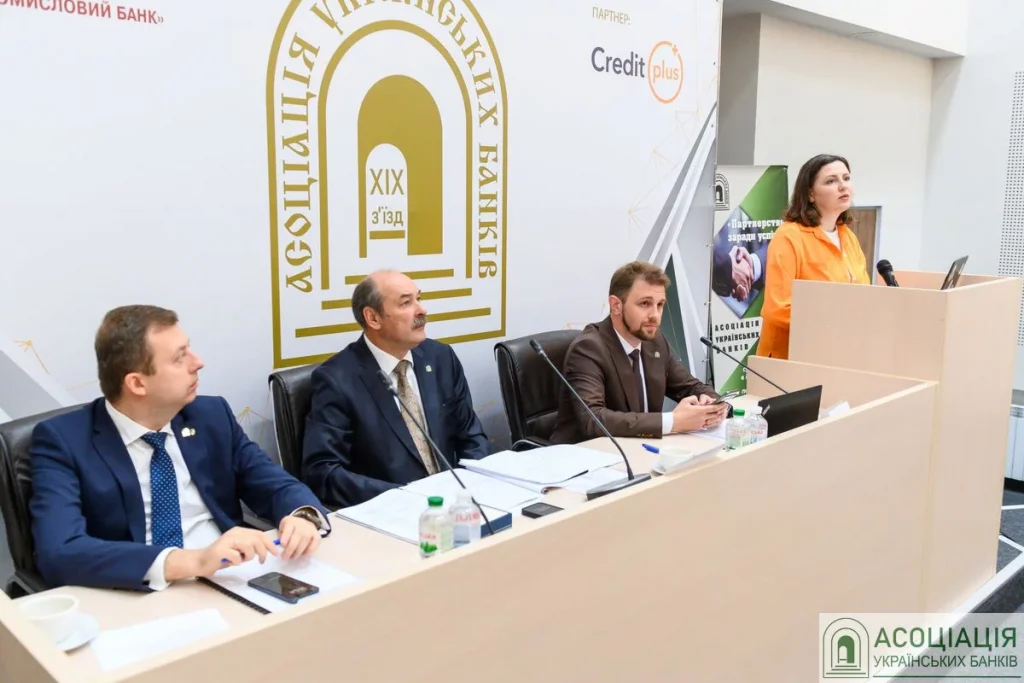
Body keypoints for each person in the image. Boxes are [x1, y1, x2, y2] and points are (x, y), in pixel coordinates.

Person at [29, 306, 330, 591]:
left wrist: (302, 516)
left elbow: (274, 484)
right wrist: (192, 561)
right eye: (179, 358)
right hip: (137, 590)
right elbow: (59, 551)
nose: (198, 363)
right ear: (137, 384)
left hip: (231, 579)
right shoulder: (63, 440)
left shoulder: (211, 416)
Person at [302, 270, 488, 508]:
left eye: (419, 298)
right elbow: (323, 473)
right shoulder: (337, 380)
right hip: (391, 512)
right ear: (373, 318)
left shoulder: (441, 358)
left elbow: (472, 437)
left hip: (457, 505)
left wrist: (471, 488)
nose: (422, 310)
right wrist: (405, 496)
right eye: (406, 303)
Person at [549, 261, 726, 444]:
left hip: (639, 448)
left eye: (660, 305)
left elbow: (690, 387)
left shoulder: (655, 342)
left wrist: (713, 405)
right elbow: (594, 419)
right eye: (645, 304)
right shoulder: (588, 348)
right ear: (616, 305)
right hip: (588, 453)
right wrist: (673, 421)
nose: (655, 315)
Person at [757, 154, 870, 360]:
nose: (843, 186)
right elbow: (778, 309)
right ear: (810, 194)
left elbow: (863, 295)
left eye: (846, 178)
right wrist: (835, 323)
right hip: (791, 357)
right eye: (831, 181)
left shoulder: (848, 237)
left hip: (839, 352)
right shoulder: (789, 237)